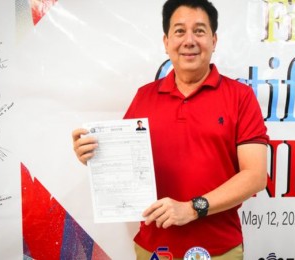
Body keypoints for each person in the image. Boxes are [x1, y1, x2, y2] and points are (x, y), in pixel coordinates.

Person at [72, 0, 269, 259]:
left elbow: (255, 176)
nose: (189, 40)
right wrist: (93, 157)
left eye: (199, 31)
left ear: (214, 40)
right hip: (153, 249)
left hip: (219, 250)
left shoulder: (240, 97)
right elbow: (124, 166)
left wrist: (192, 208)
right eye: (179, 31)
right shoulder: (144, 97)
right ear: (166, 42)